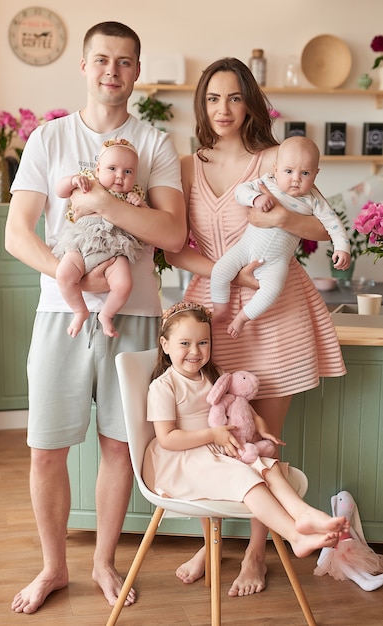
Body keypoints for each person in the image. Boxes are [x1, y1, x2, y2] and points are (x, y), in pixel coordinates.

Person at [5, 21, 186, 614]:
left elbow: (172, 231)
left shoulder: (154, 144)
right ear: (84, 67)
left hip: (131, 314)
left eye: (125, 62)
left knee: (118, 448)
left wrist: (105, 203)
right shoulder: (48, 139)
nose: (113, 71)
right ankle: (53, 567)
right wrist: (69, 272)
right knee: (45, 450)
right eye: (102, 59)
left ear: (137, 72)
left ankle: (104, 562)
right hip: (61, 313)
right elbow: (15, 234)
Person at [165, 57, 346, 597]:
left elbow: (318, 222)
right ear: (201, 104)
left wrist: (278, 219)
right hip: (213, 310)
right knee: (213, 433)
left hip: (277, 308)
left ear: (251, 104)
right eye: (213, 98)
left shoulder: (278, 159)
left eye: (235, 98)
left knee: (261, 439)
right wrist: (232, 274)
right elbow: (174, 246)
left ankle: (255, 551)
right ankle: (212, 539)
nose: (223, 109)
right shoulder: (183, 165)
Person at [142, 301, 348, 560]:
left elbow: (238, 405)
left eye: (203, 343)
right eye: (184, 343)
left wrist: (259, 423)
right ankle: (295, 537)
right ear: (165, 345)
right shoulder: (164, 386)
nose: (195, 351)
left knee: (267, 465)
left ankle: (303, 513)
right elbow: (167, 439)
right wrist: (213, 435)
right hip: (181, 460)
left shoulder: (211, 375)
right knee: (247, 479)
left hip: (215, 448)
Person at [210, 135, 351, 338]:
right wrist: (256, 198)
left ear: (316, 174)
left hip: (276, 261)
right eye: (288, 171)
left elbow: (333, 224)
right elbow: (240, 191)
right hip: (245, 248)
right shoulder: (267, 183)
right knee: (220, 271)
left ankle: (242, 317)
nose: (296, 179)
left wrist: (342, 248)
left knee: (271, 291)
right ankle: (221, 308)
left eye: (305, 173)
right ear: (275, 169)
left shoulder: (314, 200)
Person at [54, 138, 148, 338]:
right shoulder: (88, 181)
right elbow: (60, 191)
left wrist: (140, 205)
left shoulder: (133, 194)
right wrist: (72, 181)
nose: (119, 176)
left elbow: (148, 221)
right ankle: (80, 310)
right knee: (63, 275)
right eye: (112, 168)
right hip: (82, 242)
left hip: (115, 247)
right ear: (97, 170)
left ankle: (107, 314)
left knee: (124, 284)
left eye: (128, 172)